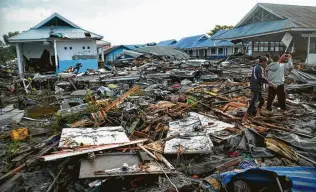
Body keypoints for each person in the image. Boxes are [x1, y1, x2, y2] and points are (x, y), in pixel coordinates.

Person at [242, 56, 276, 122]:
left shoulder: (256, 66)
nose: (267, 64)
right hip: (256, 87)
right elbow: (261, 78)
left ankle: (257, 113)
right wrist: (271, 84)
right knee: (253, 101)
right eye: (266, 62)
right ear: (263, 62)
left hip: (255, 86)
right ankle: (246, 116)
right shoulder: (259, 68)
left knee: (262, 101)